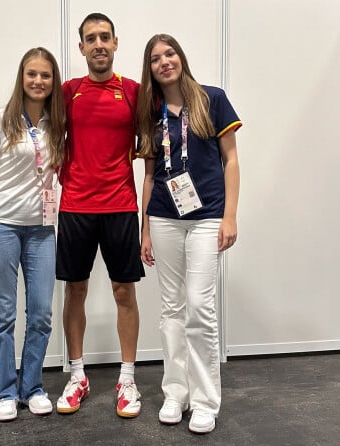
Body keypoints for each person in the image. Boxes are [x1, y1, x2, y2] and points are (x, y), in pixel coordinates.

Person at [137, 34, 242, 434]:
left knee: (200, 306)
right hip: (164, 216)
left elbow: (231, 160)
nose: (165, 62)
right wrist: (144, 228)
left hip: (207, 216)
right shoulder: (150, 111)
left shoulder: (211, 99)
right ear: (149, 68)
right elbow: (148, 175)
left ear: (181, 57)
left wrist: (229, 216)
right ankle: (175, 391)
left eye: (170, 53)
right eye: (155, 58)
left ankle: (204, 400)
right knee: (171, 310)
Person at [0, 47, 65, 422]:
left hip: (42, 229)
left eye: (45, 75)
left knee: (40, 312)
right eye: (32, 74)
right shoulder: (0, 120)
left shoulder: (58, 125)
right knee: (3, 313)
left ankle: (33, 387)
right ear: (21, 78)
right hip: (0, 226)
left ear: (53, 81)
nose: (38, 81)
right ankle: (4, 392)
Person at [55, 13, 145, 418]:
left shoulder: (133, 92)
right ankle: (78, 376)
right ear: (81, 48)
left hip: (121, 206)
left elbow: (155, 140)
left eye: (104, 37)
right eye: (90, 39)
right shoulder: (67, 91)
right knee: (75, 291)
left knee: (124, 293)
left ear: (115, 42)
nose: (98, 45)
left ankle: (127, 379)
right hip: (75, 206)